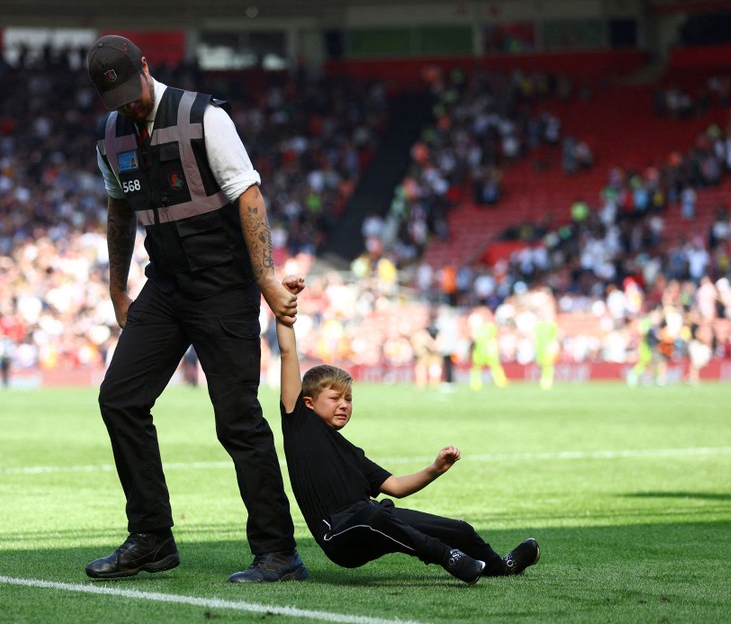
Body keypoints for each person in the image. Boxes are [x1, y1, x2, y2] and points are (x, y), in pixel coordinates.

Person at [83, 35, 307, 584]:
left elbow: (248, 195)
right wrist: (118, 290)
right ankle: (153, 539)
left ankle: (278, 552)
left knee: (237, 419)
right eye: (118, 101)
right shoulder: (111, 137)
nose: (129, 107)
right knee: (119, 399)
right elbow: (120, 212)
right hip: (165, 286)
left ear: (145, 68)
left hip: (224, 286)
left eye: (134, 93)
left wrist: (267, 279)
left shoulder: (204, 117)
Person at [276, 275, 540, 585]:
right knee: (374, 515)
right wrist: (286, 309)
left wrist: (435, 468)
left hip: (376, 519)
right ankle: (448, 557)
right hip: (339, 536)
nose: (344, 404)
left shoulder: (351, 453)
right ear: (307, 402)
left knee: (459, 529)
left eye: (349, 399)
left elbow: (397, 487)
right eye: (334, 398)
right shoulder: (299, 424)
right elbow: (288, 354)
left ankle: (500, 566)